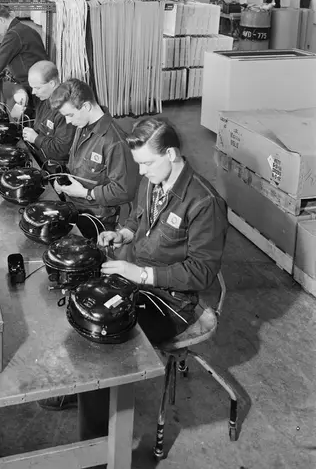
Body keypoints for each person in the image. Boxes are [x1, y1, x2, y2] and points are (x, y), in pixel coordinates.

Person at [43, 119, 229, 434]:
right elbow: (136, 219)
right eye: (138, 164)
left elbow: (202, 273)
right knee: (81, 298)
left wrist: (141, 274)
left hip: (172, 300)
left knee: (106, 338)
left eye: (146, 163)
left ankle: (99, 441)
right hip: (136, 281)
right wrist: (123, 234)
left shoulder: (204, 203)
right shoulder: (152, 181)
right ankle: (86, 387)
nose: (141, 172)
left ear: (171, 154)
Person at [47, 78, 139, 237]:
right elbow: (78, 165)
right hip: (74, 208)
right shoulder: (82, 126)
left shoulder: (115, 142)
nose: (68, 121)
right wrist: (63, 180)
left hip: (96, 219)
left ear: (86, 106)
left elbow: (124, 191)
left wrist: (86, 193)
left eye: (70, 115)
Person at [13, 60, 76, 164]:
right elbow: (19, 85)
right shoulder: (43, 96)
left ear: (52, 83)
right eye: (32, 87)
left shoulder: (65, 110)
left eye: (37, 88)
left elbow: (61, 151)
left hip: (53, 164)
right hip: (38, 154)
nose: (33, 92)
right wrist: (21, 92)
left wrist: (36, 138)